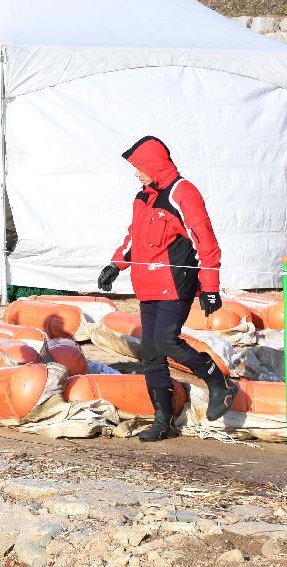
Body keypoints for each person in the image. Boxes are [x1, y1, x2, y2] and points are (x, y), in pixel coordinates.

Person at [97, 135, 237, 442]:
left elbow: (206, 244)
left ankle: (217, 381)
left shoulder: (182, 193)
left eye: (139, 167)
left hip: (175, 284)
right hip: (146, 286)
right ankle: (163, 421)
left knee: (165, 340)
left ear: (154, 165)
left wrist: (209, 288)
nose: (136, 173)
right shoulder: (142, 197)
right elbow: (134, 237)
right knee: (150, 353)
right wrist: (116, 265)